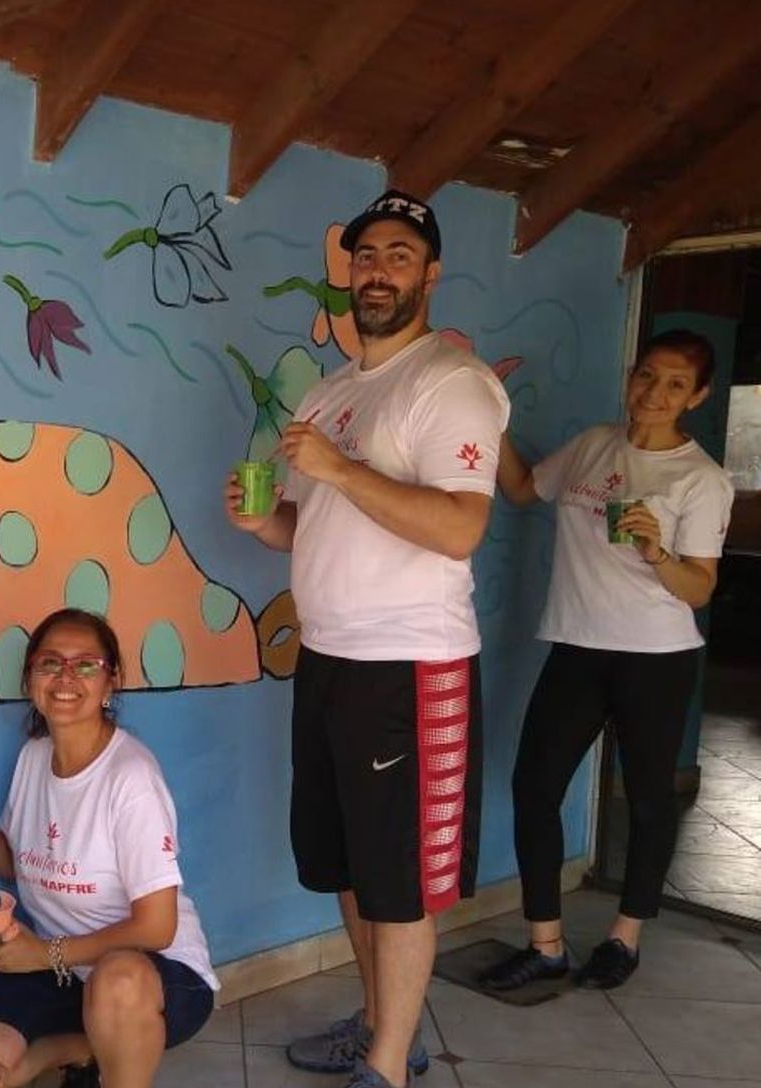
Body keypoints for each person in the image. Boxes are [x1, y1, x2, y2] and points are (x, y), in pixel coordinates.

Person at [224, 190, 509, 1088]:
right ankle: (388, 1025)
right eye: (365, 254)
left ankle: (386, 1070)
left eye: (398, 253)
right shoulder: (334, 388)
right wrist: (268, 523)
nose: (377, 269)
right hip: (330, 659)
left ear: (429, 273)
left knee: (400, 880)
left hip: (411, 665)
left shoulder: (452, 384)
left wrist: (339, 468)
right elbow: (317, 525)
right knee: (347, 862)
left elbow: (461, 527)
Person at [479, 329, 734, 992]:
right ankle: (546, 943)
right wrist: (490, 415)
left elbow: (701, 588)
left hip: (656, 658)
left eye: (675, 384)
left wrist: (658, 553)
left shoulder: (700, 480)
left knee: (649, 801)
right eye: (647, 376)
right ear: (631, 376)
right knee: (534, 789)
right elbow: (521, 490)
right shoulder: (594, 445)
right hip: (577, 647)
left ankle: (625, 938)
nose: (654, 393)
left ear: (698, 395)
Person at [0, 608, 218, 1088]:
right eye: (49, 663)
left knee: (116, 981)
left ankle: (103, 1065)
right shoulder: (35, 756)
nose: (65, 677)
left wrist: (45, 954)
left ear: (111, 682)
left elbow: (157, 927)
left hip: (157, 979)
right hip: (64, 971)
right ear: (30, 677)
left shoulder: (131, 778)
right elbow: (13, 863)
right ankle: (71, 1052)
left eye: (86, 665)